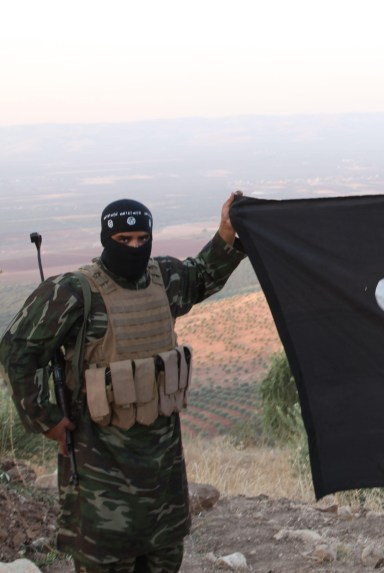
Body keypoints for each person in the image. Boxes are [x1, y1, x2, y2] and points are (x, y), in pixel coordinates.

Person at [0, 192, 246, 572]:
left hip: (162, 468)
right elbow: (18, 350)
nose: (135, 247)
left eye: (142, 239)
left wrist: (227, 231)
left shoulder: (163, 279)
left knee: (165, 558)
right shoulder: (73, 290)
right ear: (106, 239)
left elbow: (202, 275)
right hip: (102, 472)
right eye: (123, 240)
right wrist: (44, 419)